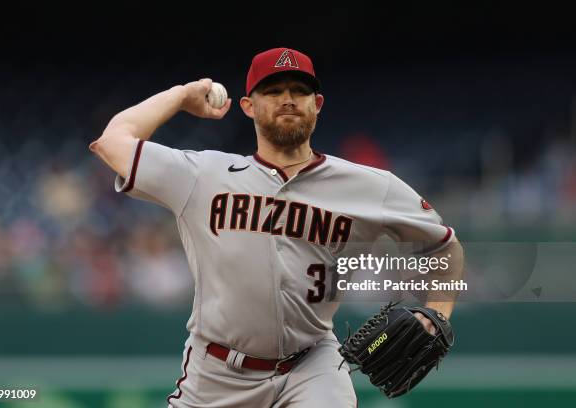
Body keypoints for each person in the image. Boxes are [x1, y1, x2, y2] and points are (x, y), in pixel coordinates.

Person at [89, 47, 464, 407]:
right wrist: (181, 95)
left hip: (311, 365)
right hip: (216, 372)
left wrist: (436, 314)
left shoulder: (371, 186)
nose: (287, 99)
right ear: (249, 106)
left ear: (317, 105)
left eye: (300, 91)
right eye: (273, 90)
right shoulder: (201, 175)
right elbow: (112, 142)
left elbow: (443, 247)